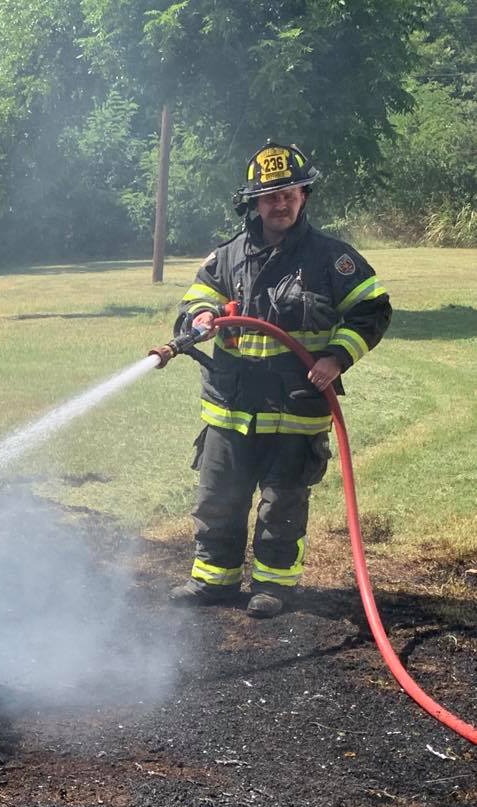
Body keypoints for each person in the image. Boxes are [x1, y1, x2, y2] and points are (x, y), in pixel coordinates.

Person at [169, 141, 391, 618]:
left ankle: (272, 586)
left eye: (290, 194)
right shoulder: (227, 256)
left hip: (295, 408)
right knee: (218, 498)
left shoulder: (331, 258)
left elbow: (373, 309)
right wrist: (202, 314)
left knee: (282, 505)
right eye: (271, 196)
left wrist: (336, 357)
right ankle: (213, 580)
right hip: (230, 405)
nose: (281, 204)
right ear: (254, 202)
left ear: (303, 196)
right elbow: (195, 300)